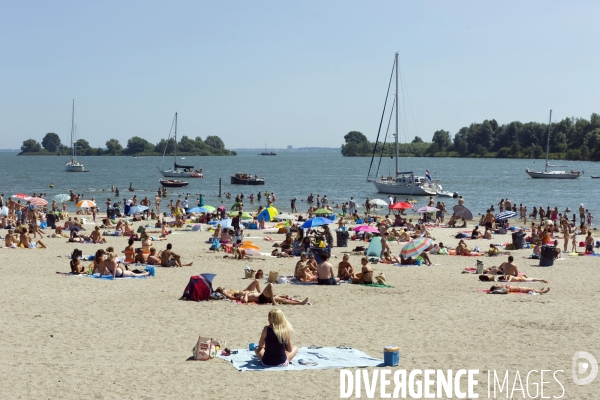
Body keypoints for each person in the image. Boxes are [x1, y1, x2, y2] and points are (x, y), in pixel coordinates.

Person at [240, 283, 308, 305]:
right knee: (270, 285)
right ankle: (273, 302)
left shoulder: (249, 292)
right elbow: (245, 301)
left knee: (283, 300)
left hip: (264, 297)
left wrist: (281, 295)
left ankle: (300, 303)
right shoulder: (242, 296)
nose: (242, 291)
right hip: (261, 298)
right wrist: (246, 294)